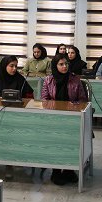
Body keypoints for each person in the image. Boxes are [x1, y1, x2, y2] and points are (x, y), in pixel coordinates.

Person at [40, 54, 87, 186]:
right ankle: (56, 171)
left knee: (71, 137)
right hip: (54, 118)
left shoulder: (75, 79)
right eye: (61, 64)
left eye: (66, 64)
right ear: (55, 66)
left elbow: (82, 100)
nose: (64, 66)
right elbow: (44, 100)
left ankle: (69, 170)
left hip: (72, 118)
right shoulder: (48, 80)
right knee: (55, 138)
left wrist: (74, 106)